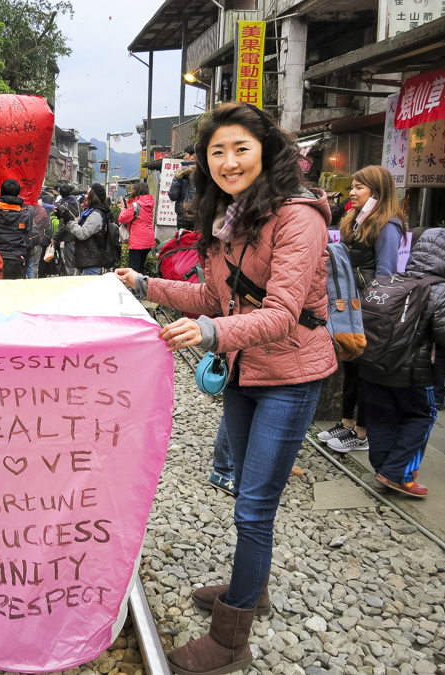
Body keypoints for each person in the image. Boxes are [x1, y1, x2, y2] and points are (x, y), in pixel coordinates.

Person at [116, 102, 336, 675]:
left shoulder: (298, 217)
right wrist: (145, 283)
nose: (229, 161)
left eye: (241, 148)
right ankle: (251, 589)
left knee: (255, 507)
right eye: (217, 151)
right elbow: (215, 299)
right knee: (246, 494)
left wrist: (212, 332)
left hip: (290, 376)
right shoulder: (229, 216)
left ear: (266, 150)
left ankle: (231, 638)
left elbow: (285, 313)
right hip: (244, 371)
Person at [360, 229, 445, 496]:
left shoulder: (391, 279)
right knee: (422, 416)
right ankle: (396, 474)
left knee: (381, 418)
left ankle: (383, 472)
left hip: (371, 366)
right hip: (412, 374)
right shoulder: (440, 289)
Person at [317, 166, 406, 453]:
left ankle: (362, 433)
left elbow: (386, 274)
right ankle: (346, 423)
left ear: (377, 193)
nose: (351, 193)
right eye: (352, 187)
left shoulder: (387, 225)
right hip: (349, 307)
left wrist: (372, 308)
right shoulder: (355, 221)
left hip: (368, 309)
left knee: (365, 371)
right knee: (351, 366)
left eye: (359, 188)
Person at [64, 183, 110, 275]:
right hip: (86, 262)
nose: (85, 196)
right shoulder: (91, 212)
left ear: (95, 196)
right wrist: (65, 219)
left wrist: (69, 220)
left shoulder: (96, 214)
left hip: (91, 263)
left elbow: (82, 234)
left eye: (88, 194)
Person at [118, 181, 156, 273]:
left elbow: (123, 218)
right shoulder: (149, 204)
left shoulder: (135, 205)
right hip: (148, 239)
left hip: (137, 240)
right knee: (141, 268)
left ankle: (135, 287)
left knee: (133, 270)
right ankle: (142, 286)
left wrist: (123, 209)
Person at [168, 144, 197, 230]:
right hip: (200, 215)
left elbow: (173, 196)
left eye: (186, 154)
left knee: (184, 241)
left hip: (183, 215)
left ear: (193, 156)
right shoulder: (206, 172)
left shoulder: (180, 173)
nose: (184, 157)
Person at [54, 184, 79, 275]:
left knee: (69, 264)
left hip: (68, 237)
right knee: (76, 263)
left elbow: (64, 225)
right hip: (78, 235)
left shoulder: (62, 206)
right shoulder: (77, 203)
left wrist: (55, 236)